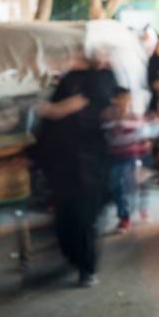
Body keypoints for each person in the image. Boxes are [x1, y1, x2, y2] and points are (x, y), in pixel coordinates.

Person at [35, 55, 119, 287]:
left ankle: (87, 267)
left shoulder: (100, 79)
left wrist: (54, 109)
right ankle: (74, 258)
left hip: (87, 163)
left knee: (84, 217)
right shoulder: (67, 79)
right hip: (62, 163)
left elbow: (90, 108)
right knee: (65, 215)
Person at [103, 87, 159, 233]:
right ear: (114, 100)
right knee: (119, 186)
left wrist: (149, 133)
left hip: (137, 156)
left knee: (142, 184)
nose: (125, 101)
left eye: (127, 98)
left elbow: (153, 129)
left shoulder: (136, 117)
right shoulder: (108, 118)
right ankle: (124, 219)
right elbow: (107, 137)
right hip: (117, 157)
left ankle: (143, 210)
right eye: (122, 98)